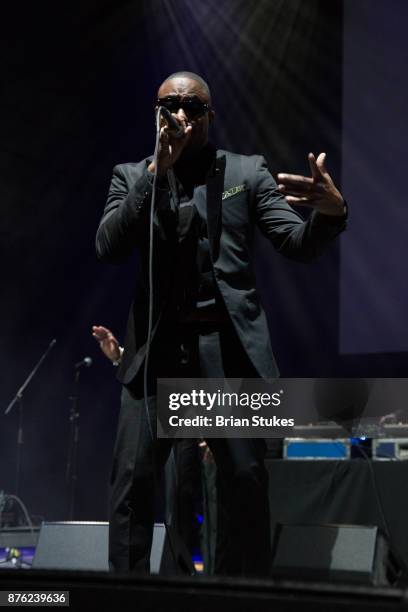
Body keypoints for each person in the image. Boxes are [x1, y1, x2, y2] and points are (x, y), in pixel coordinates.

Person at [95, 71, 347, 577]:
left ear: (210, 116)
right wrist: (153, 174)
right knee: (132, 487)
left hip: (226, 350)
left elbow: (297, 244)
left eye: (192, 106)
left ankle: (240, 598)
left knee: (245, 487)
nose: (181, 114)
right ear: (157, 114)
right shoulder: (131, 175)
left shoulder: (246, 173)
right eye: (170, 105)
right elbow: (108, 245)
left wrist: (331, 213)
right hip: (156, 355)